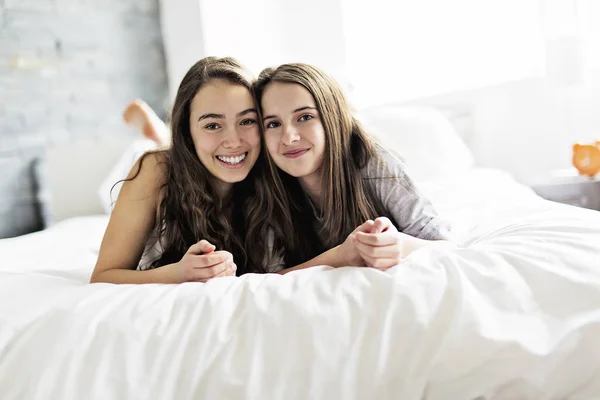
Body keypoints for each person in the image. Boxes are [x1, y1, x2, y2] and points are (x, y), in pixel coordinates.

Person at [90, 56, 279, 284]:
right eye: (212, 125)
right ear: (187, 132)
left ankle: (162, 132)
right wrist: (178, 273)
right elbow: (104, 276)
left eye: (247, 121)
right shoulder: (153, 170)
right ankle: (153, 131)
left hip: (200, 153)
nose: (234, 140)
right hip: (169, 165)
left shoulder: (276, 165)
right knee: (148, 151)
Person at [253, 63, 453, 273]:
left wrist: (399, 244)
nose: (289, 137)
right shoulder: (265, 188)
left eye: (305, 117)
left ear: (333, 119)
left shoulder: (374, 163)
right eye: (273, 124)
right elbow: (268, 278)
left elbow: (444, 245)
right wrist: (340, 256)